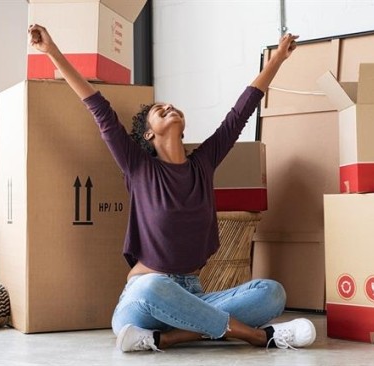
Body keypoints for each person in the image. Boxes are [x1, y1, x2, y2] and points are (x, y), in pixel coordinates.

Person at [28, 24, 315, 352]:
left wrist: (277, 59)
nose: (168, 108)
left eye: (171, 107)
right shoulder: (139, 168)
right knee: (152, 287)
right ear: (148, 135)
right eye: (158, 111)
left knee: (272, 293)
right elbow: (99, 109)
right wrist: (51, 51)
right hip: (143, 302)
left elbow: (240, 114)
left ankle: (172, 337)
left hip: (193, 295)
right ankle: (258, 337)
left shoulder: (203, 164)